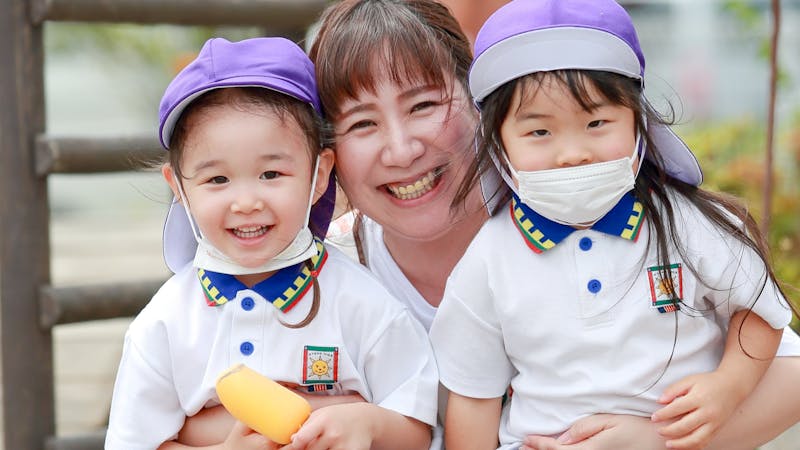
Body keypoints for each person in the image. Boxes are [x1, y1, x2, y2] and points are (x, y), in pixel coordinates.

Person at [178, 1, 800, 449]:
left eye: (424, 105)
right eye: (363, 123)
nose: (401, 149)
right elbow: (186, 410)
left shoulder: (627, 216)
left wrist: (659, 442)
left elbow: (790, 369)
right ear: (328, 155)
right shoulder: (327, 277)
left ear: (481, 104)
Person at [427, 1, 799, 450]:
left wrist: (727, 388)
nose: (572, 153)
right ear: (499, 145)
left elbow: (758, 310)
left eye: (597, 123)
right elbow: (473, 392)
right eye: (540, 132)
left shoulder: (685, 224)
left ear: (638, 123)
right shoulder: (489, 259)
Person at [104, 36, 438, 450]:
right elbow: (134, 441)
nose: (246, 202)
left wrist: (367, 422)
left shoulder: (363, 305)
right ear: (180, 188)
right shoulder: (166, 323)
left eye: (271, 175)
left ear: (318, 175)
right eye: (217, 180)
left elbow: (419, 428)